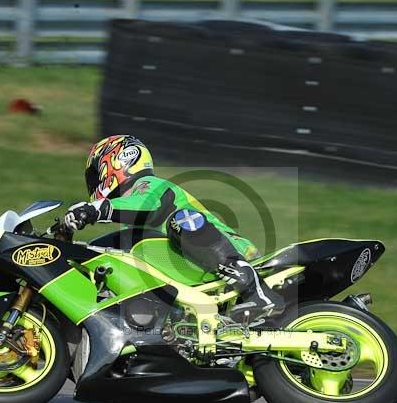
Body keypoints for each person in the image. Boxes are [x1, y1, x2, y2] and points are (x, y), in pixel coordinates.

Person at [64, 134, 283, 321]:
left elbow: (146, 206)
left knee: (182, 220)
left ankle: (258, 293)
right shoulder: (131, 219)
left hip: (233, 251)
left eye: (95, 175)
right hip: (192, 269)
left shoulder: (149, 186)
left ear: (118, 162)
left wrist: (94, 210)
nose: (93, 184)